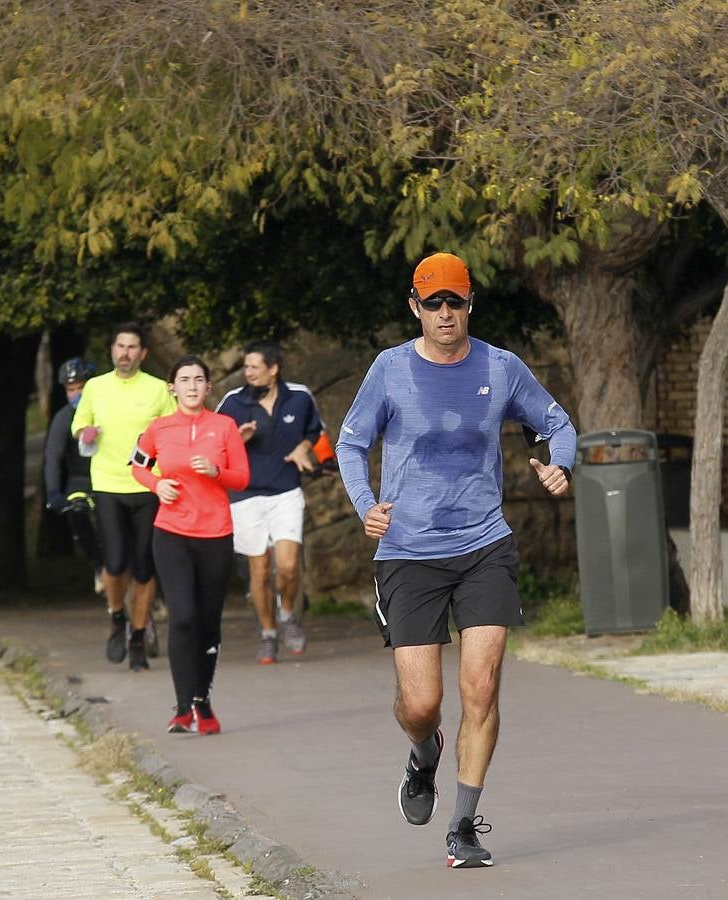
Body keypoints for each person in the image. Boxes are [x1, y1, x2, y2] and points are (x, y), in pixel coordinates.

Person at [337, 251, 576, 869]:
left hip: (483, 547)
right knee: (421, 705)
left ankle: (465, 824)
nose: (446, 313)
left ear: (470, 305)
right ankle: (423, 757)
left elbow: (555, 420)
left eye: (456, 301)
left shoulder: (500, 367)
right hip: (408, 553)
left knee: (482, 687)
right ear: (415, 308)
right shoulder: (390, 370)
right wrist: (368, 504)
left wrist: (560, 462)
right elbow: (352, 440)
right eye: (434, 303)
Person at [132, 356, 249, 735]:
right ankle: (183, 708)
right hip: (171, 533)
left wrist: (218, 472)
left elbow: (243, 478)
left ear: (209, 387)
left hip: (215, 534)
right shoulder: (158, 429)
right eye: (184, 380)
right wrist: (156, 484)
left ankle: (203, 700)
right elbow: (137, 465)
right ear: (173, 387)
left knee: (206, 623)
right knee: (182, 617)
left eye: (199, 379)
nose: (192, 386)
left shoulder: (225, 427)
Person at [71, 323, 175, 671]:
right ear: (112, 350)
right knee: (115, 563)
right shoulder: (96, 388)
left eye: (133, 347)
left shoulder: (160, 390)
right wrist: (84, 431)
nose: (125, 352)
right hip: (109, 484)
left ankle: (138, 636)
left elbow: (173, 433)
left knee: (145, 567)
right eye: (120, 346)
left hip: (148, 486)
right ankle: (117, 616)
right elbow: (79, 424)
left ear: (142, 353)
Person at [216, 341, 322, 663]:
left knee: (288, 566)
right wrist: (237, 440)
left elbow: (315, 432)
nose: (247, 373)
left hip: (286, 491)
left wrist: (305, 447)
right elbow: (215, 445)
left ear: (273, 368)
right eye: (245, 367)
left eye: (253, 367)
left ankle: (287, 612)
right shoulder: (233, 403)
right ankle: (267, 633)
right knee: (259, 571)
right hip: (246, 496)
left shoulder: (301, 397)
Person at [44, 357, 104, 596]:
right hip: (80, 481)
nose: (77, 393)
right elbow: (53, 456)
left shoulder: (107, 410)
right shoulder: (62, 418)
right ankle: (99, 564)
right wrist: (52, 492)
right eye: (71, 389)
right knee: (77, 514)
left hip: (112, 479)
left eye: (81, 387)